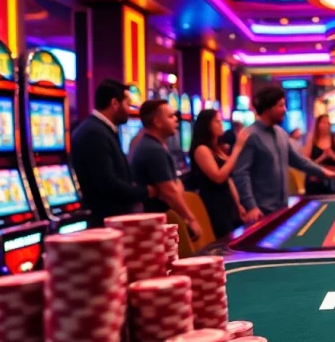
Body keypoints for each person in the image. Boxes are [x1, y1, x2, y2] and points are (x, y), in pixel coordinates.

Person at [233, 86, 335, 224]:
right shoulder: (250, 135)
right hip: (260, 211)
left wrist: (322, 171)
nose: (284, 110)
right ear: (268, 108)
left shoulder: (281, 133)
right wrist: (251, 206)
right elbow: (241, 173)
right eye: (281, 106)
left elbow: (298, 161)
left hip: (281, 207)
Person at [71, 79, 155, 225]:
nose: (130, 110)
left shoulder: (101, 129)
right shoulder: (94, 132)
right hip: (103, 223)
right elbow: (107, 183)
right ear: (115, 103)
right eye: (127, 104)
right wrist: (144, 192)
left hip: (110, 219)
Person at [130, 100, 203, 241]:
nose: (176, 119)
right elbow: (169, 191)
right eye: (170, 116)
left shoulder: (154, 145)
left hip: (156, 222)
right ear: (157, 122)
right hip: (154, 225)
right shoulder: (153, 149)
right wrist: (190, 219)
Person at [190, 109, 248, 239]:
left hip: (227, 203)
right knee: (224, 243)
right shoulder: (201, 149)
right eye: (217, 121)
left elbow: (228, 179)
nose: (221, 124)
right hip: (215, 204)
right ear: (207, 125)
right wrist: (237, 149)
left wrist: (238, 205)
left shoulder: (216, 149)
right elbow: (218, 177)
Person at [303, 114, 335, 195]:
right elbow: (305, 162)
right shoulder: (311, 140)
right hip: (315, 178)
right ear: (317, 124)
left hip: (332, 178)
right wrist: (322, 157)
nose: (326, 125)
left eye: (328, 123)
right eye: (324, 123)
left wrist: (332, 155)